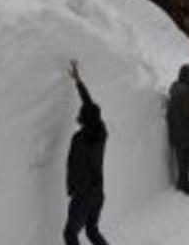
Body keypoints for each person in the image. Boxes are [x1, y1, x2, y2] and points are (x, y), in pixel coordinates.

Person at [64, 60, 110, 245]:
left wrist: (73, 188)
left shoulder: (79, 139)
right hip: (97, 194)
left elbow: (74, 166)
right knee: (92, 230)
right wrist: (78, 82)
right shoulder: (101, 132)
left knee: (70, 234)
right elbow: (90, 106)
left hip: (82, 196)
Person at [167, 64, 189, 195]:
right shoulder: (186, 91)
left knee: (180, 158)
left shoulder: (174, 88)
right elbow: (187, 113)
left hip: (175, 128)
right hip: (184, 129)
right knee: (185, 157)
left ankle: (182, 181)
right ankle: (183, 184)